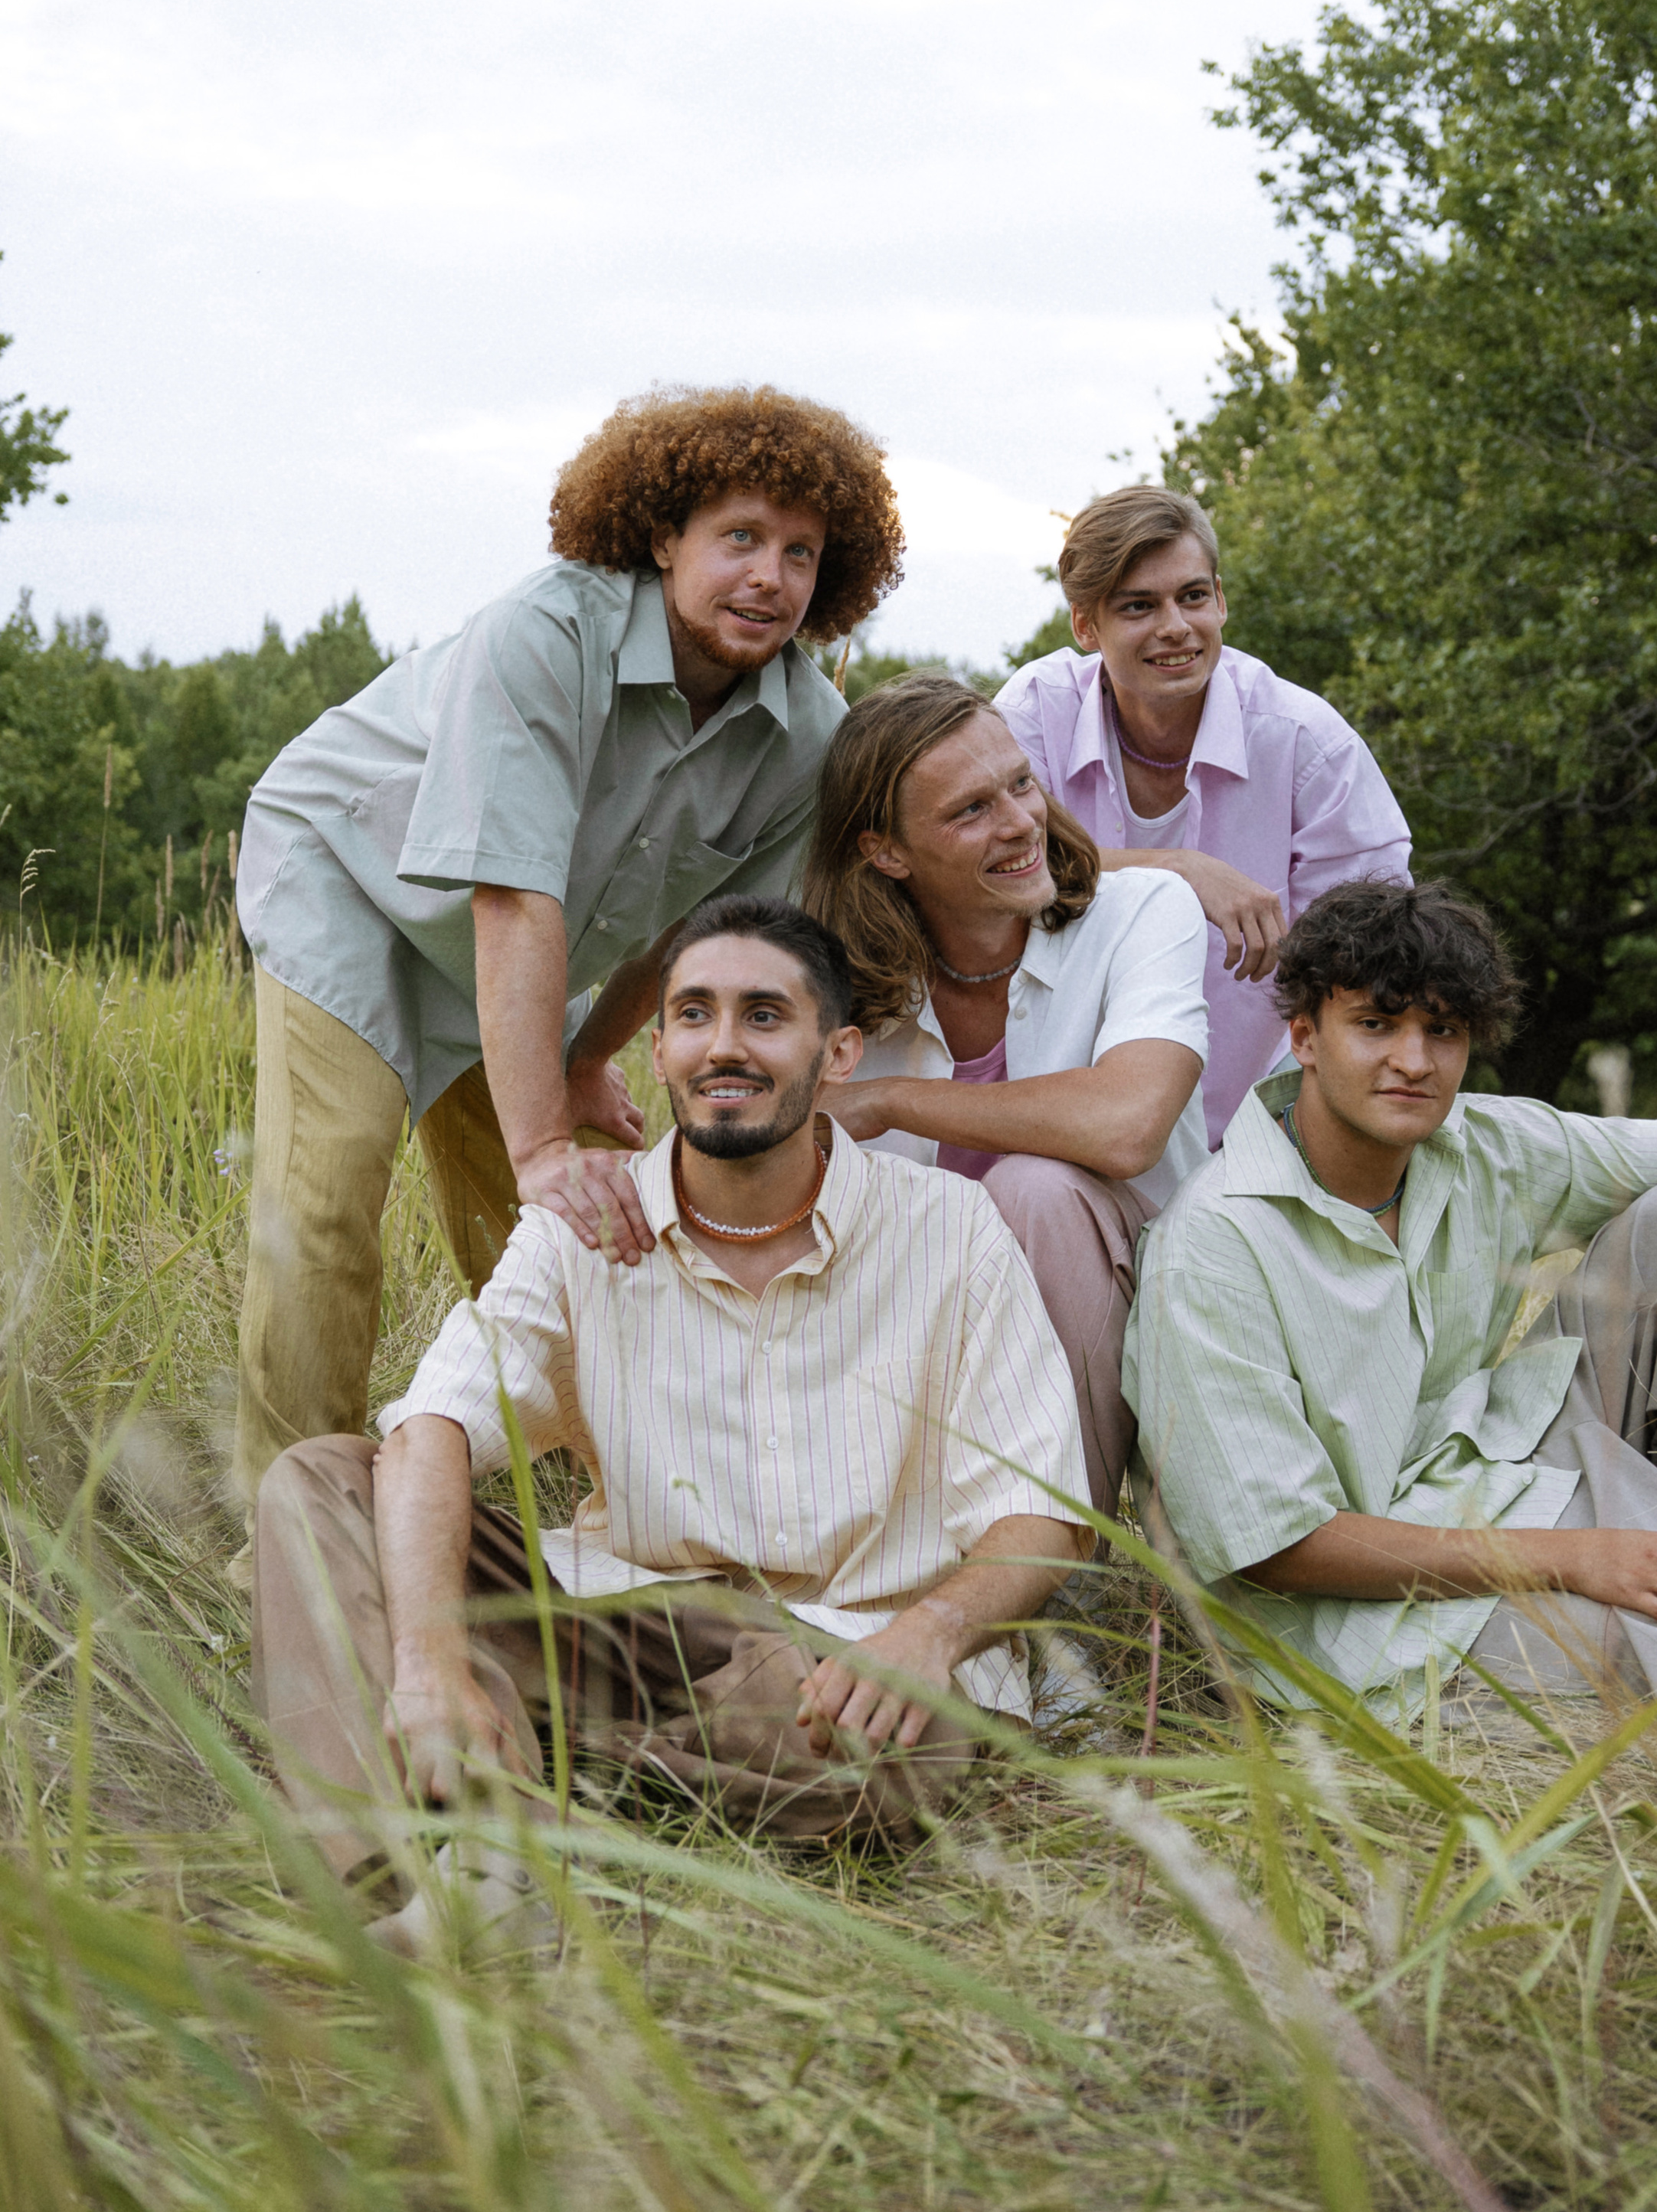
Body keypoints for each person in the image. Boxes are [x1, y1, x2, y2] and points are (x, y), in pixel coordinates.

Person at [252, 896, 1092, 1942]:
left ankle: (548, 1774)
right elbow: (433, 1430)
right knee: (325, 1477)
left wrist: (933, 1634)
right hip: (620, 1620)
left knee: (896, 1753)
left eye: (763, 1016)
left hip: (840, 1660)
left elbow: (1038, 1515)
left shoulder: (952, 1230)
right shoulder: (585, 1228)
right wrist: (427, 1659)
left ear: (838, 1053)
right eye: (693, 1015)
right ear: (658, 1050)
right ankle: (418, 1874)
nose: (723, 1046)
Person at [233, 384, 904, 1515]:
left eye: (802, 553)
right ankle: (298, 1534)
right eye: (740, 537)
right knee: (328, 1196)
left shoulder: (809, 738)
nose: (771, 577)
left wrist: (588, 1058)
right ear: (660, 537)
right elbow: (511, 895)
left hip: (510, 946)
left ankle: (572, 1495)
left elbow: (701, 938)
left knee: (550, 1225)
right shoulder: (545, 632)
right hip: (351, 879)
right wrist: (543, 1131)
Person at [1127, 877, 1657, 1763]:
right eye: (1375, 1024)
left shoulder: (1478, 1143)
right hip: (1361, 1622)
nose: (1412, 1060)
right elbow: (1278, 1548)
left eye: (1440, 1031)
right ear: (1305, 1036)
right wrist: (1569, 1558)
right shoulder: (1212, 1246)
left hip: (1494, 1461)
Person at [802, 672, 1209, 1518]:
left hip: (1146, 1317)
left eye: (1020, 783)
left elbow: (1129, 1126)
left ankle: (1060, 1561)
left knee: (1035, 1192)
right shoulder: (838, 987)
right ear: (887, 852)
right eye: (970, 810)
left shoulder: (1143, 910)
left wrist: (887, 1104)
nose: (1021, 821)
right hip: (928, 1337)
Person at [993, 484, 1410, 1148]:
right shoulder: (1034, 715)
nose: (1175, 627)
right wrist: (1178, 870)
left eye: (1192, 597)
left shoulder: (1308, 745)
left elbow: (1376, 960)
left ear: (1220, 598)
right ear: (1085, 625)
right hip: (1059, 1118)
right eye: (1139, 606)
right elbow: (987, 877)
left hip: (1263, 1131)